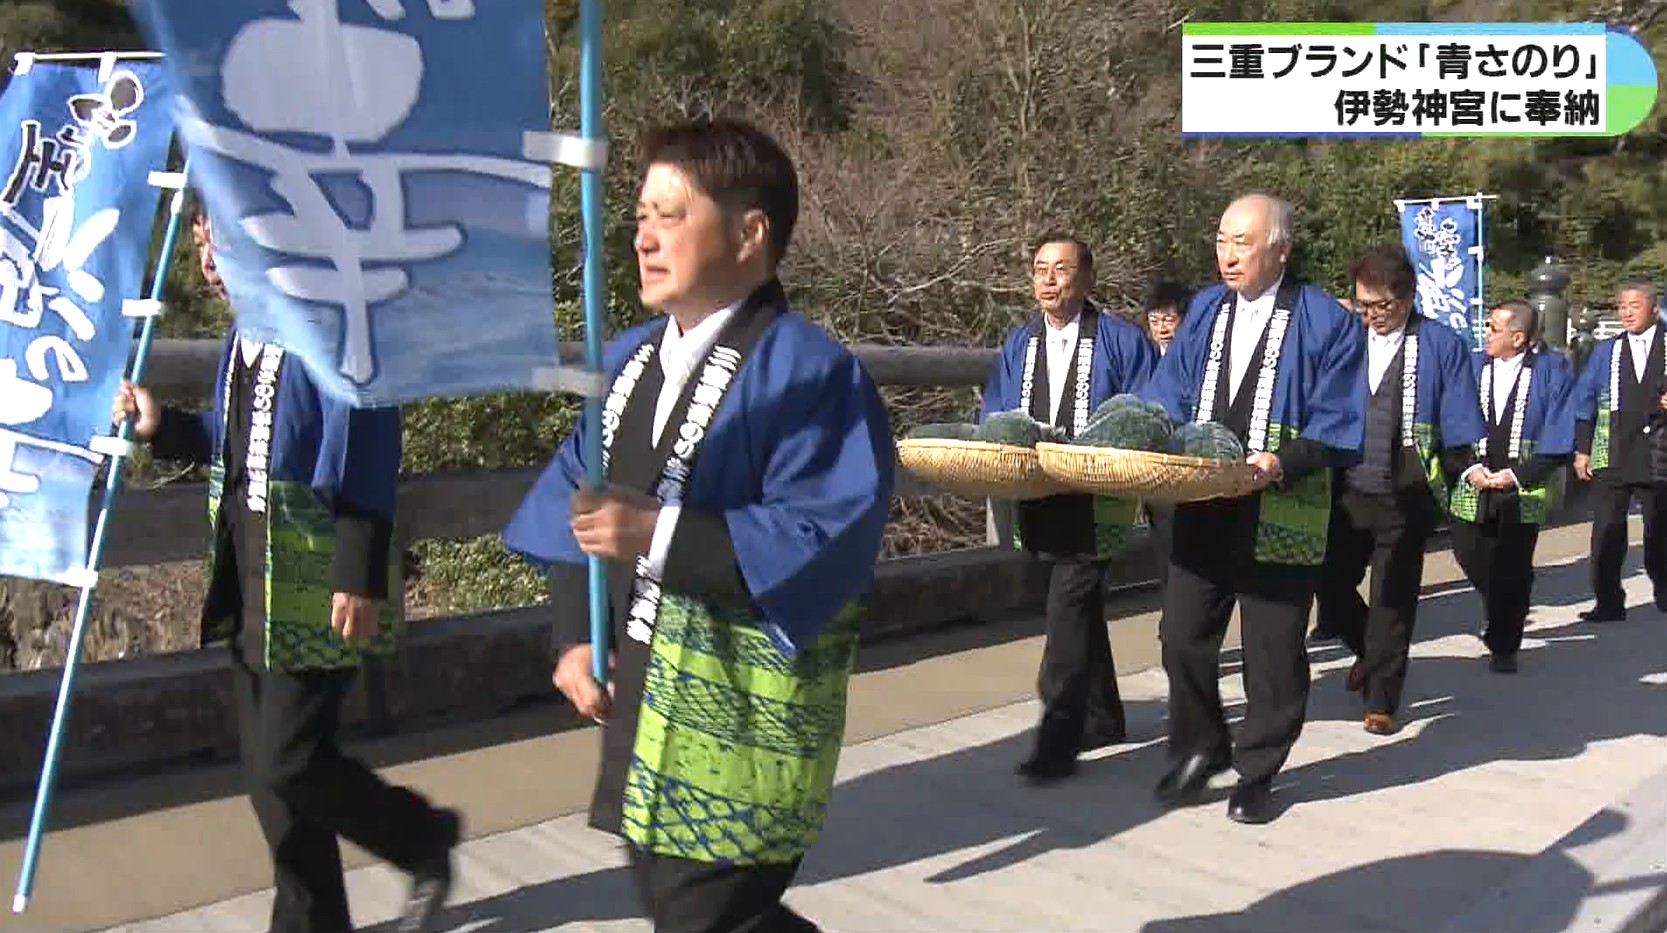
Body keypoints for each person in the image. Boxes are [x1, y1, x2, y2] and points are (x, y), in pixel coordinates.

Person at [501, 118, 893, 932]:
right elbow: (576, 498)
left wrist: (656, 532)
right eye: (640, 214)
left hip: (740, 713)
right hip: (642, 694)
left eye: (669, 215)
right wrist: (575, 633)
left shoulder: (810, 372)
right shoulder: (629, 362)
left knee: (702, 911)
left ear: (751, 233)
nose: (643, 237)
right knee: (687, 901)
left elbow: (822, 536)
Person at [113, 204, 459, 933]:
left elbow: (367, 428)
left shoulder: (327, 314)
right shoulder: (247, 332)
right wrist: (162, 425)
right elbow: (239, 440)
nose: (209, 257)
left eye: (224, 236)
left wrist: (357, 567)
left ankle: (419, 835)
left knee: (288, 761)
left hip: (315, 562)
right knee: (271, 781)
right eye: (204, 240)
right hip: (248, 565)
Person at [1139, 193, 1364, 824]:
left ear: (1281, 249)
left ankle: (1258, 768)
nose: (1227, 254)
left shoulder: (1327, 322)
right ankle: (1200, 744)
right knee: (1181, 637)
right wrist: (1143, 436)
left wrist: (1282, 461)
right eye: (1221, 239)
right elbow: (1169, 390)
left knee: (1272, 652)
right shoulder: (1207, 310)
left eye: (1243, 242)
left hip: (1280, 503)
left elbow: (1339, 419)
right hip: (1202, 499)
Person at [980, 234, 1158, 783]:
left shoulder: (1121, 342)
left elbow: (1147, 412)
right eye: (1040, 269)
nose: (1048, 279)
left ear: (1087, 278)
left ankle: (1059, 733)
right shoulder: (1020, 344)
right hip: (1039, 494)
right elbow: (998, 411)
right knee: (1075, 608)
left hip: (1098, 497)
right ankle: (1105, 716)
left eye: (1061, 269)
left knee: (1067, 605)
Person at [1313, 243, 1484, 735]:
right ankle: (1371, 651)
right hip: (1346, 486)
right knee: (1328, 583)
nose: (1370, 315)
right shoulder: (1347, 340)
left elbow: (1457, 419)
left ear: (1407, 299)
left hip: (1406, 491)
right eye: (1362, 304)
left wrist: (1461, 472)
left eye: (1380, 306)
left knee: (1393, 595)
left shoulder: (1440, 344)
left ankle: (1382, 695)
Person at [1449, 301, 1576, 673]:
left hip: (1523, 484)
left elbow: (1559, 428)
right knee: (1468, 550)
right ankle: (1505, 600)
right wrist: (1469, 466)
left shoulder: (1552, 371)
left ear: (1517, 337)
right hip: (1474, 476)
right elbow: (1452, 412)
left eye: (1493, 328)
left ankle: (1504, 644)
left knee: (1514, 563)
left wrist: (1520, 474)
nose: (1485, 333)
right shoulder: (1472, 366)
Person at [1566, 280, 1667, 622]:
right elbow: (1584, 401)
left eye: (1634, 305)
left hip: (1659, 451)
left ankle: (1664, 590)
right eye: (1622, 306)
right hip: (1612, 450)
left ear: (1653, 308)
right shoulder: (1606, 351)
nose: (1626, 312)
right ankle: (1608, 601)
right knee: (1607, 530)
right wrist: (1582, 449)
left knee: (1659, 530)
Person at [1140, 281, 1192, 594]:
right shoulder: (1143, 357)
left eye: (1169, 320)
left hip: (1186, 462)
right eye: (1155, 320)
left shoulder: (1196, 356)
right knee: (1162, 539)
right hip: (1152, 464)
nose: (1162, 328)